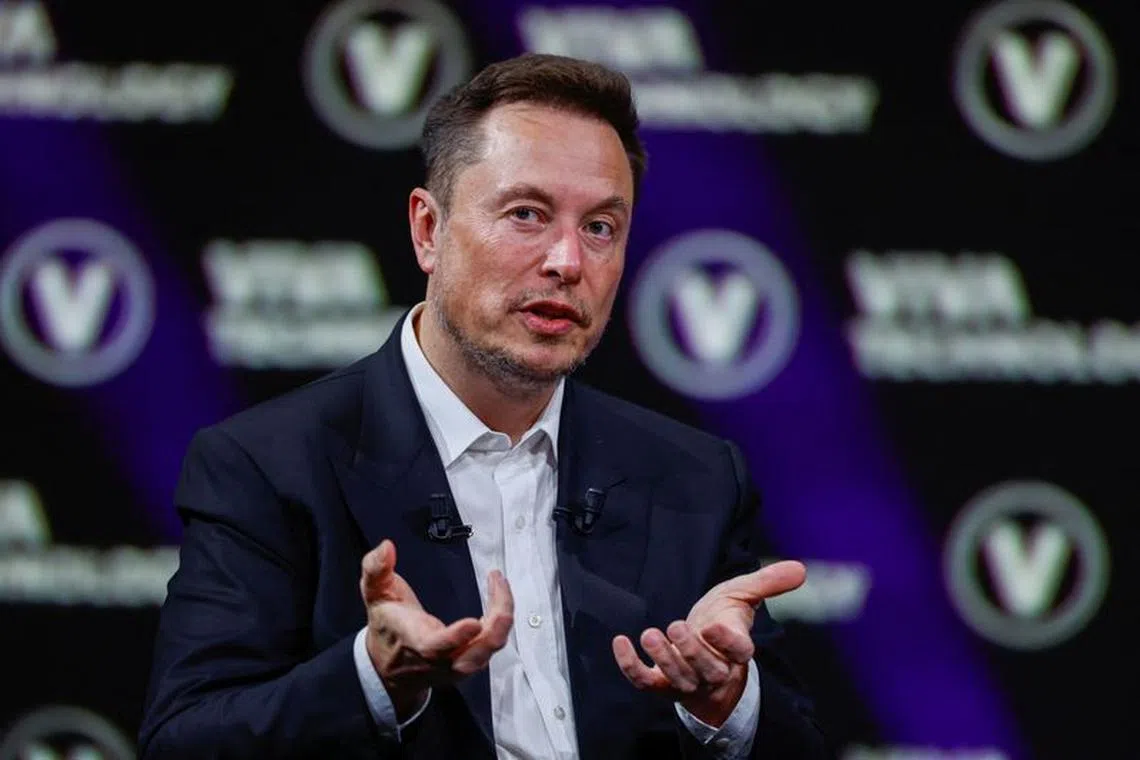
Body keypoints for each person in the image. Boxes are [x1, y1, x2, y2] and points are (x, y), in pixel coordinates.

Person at [138, 53, 830, 759]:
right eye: (527, 214)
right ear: (427, 230)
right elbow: (184, 739)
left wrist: (726, 704)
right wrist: (375, 680)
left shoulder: (695, 478)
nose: (568, 261)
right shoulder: (269, 465)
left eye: (600, 227)